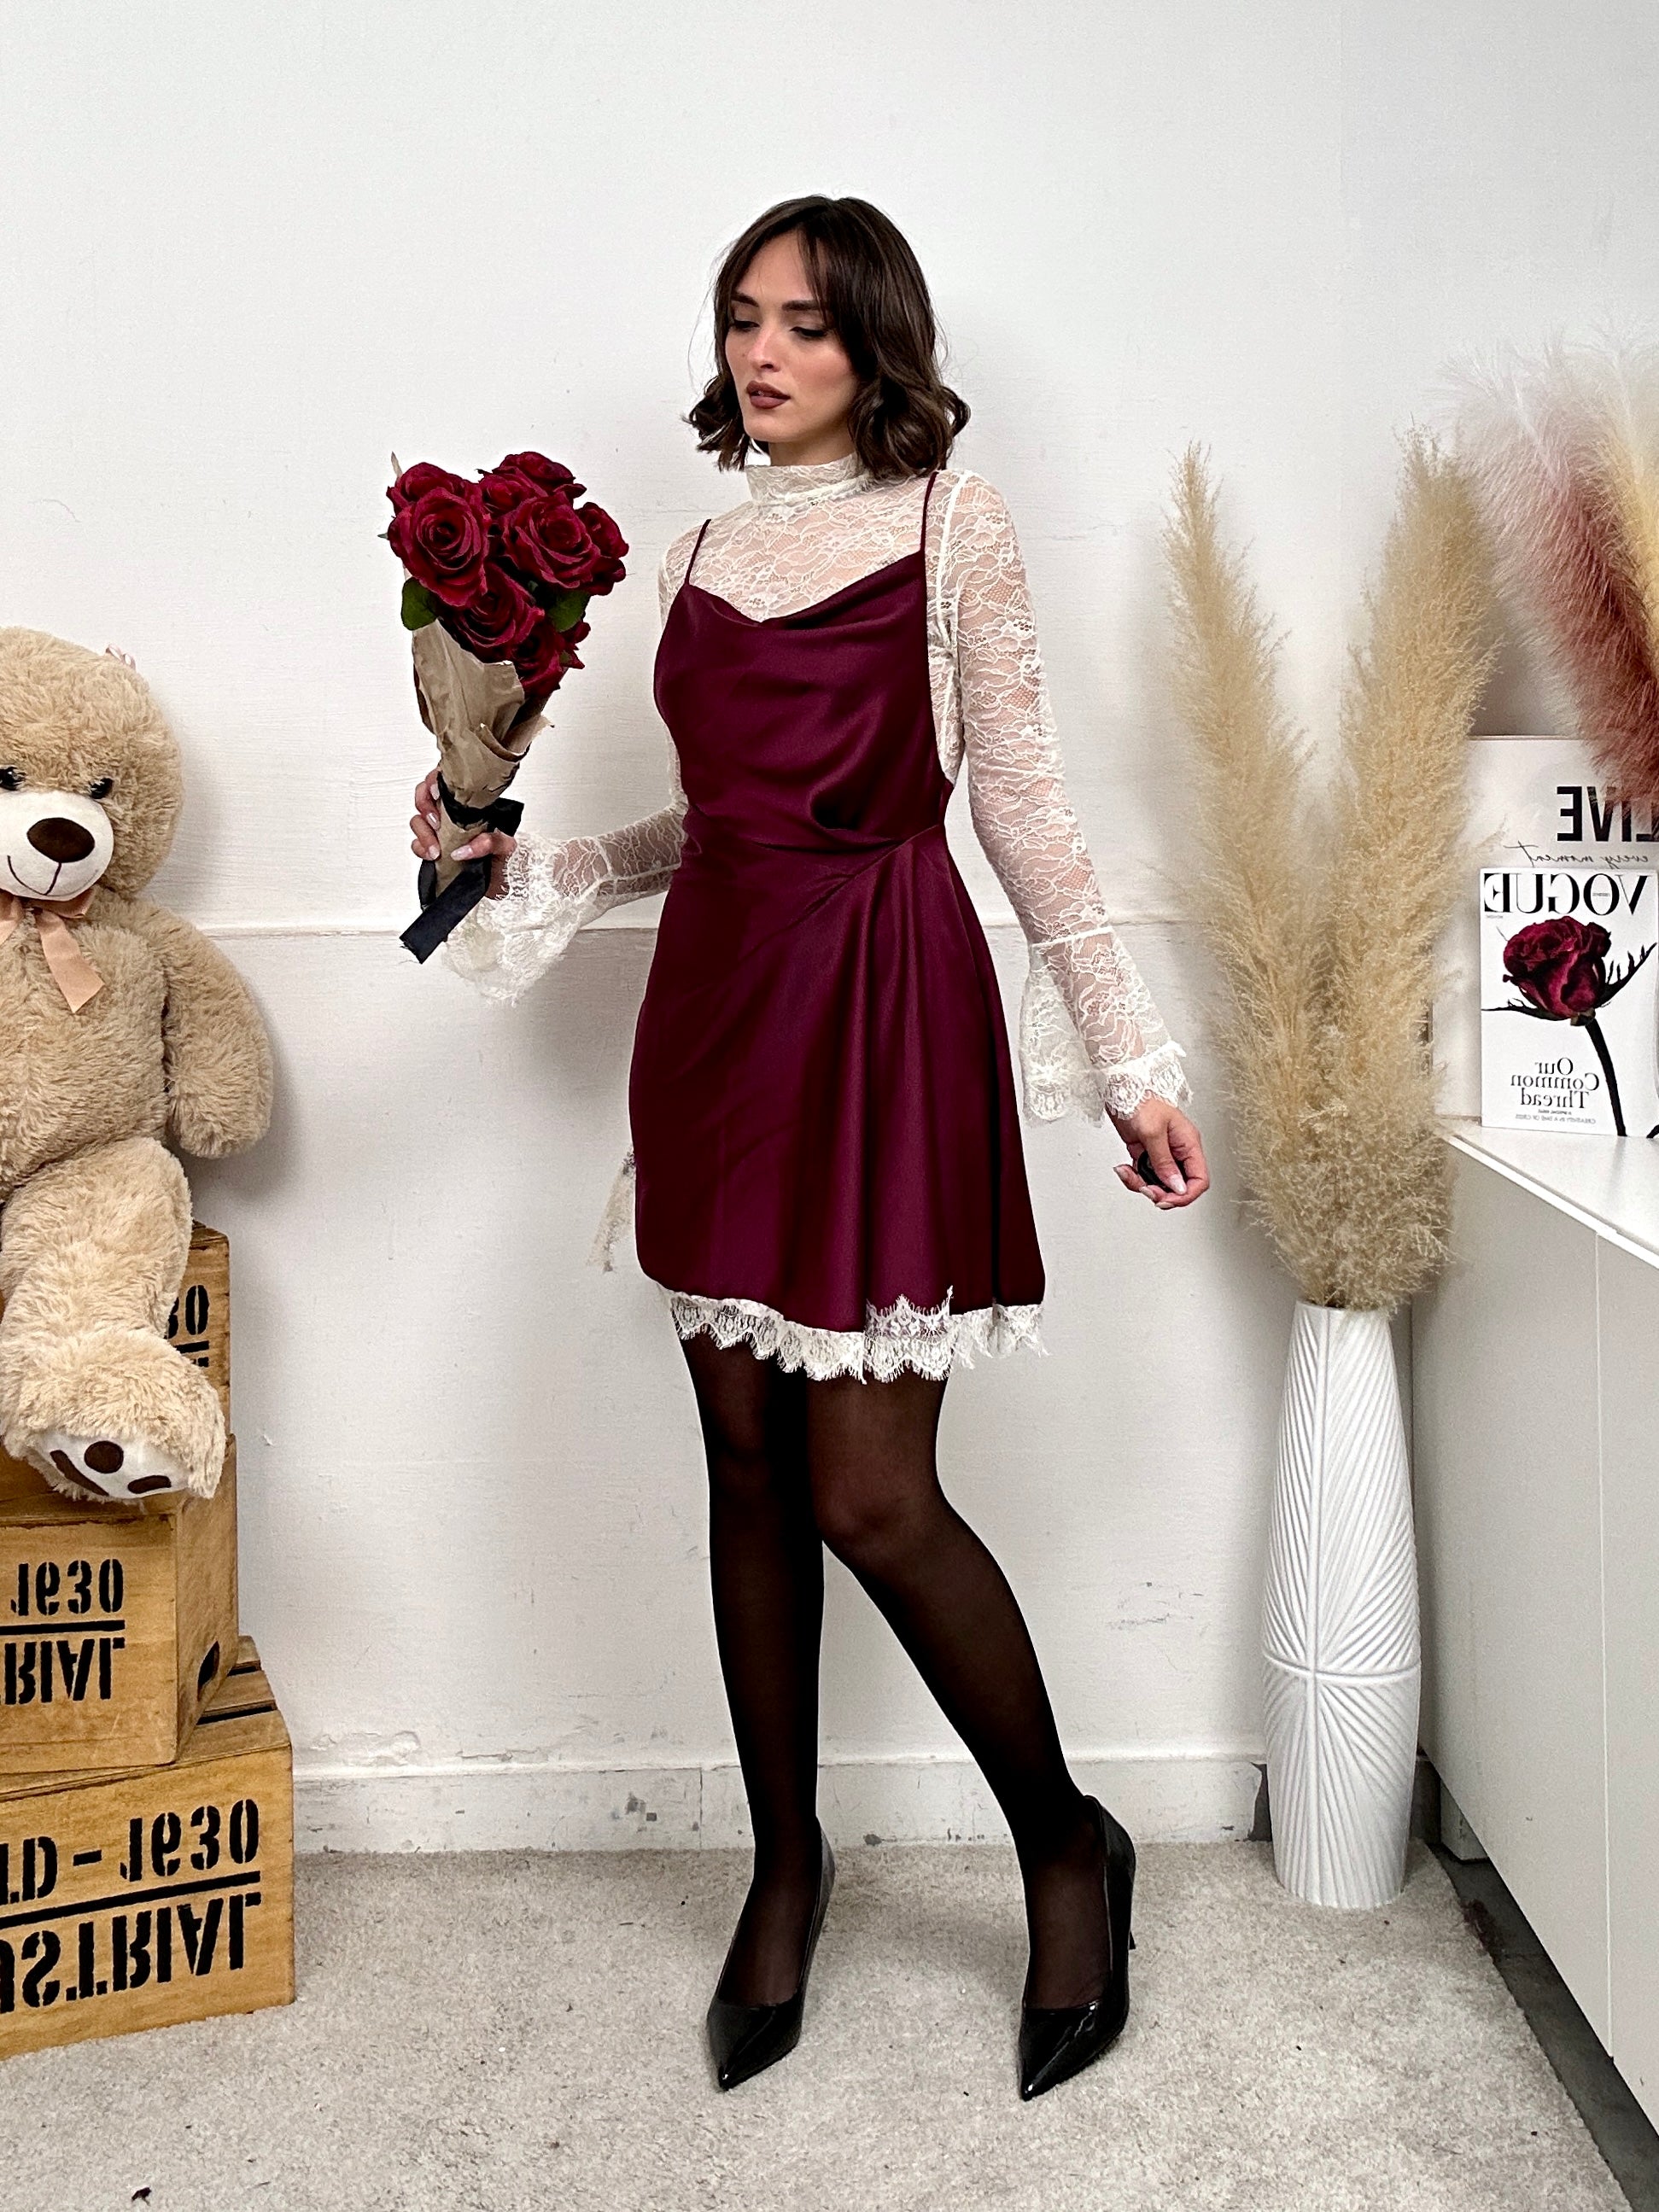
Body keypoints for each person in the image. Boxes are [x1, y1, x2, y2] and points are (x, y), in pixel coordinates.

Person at [412, 195, 1209, 2101]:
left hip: (885, 1004)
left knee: (872, 1495)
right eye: (743, 318)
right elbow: (712, 823)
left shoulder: (953, 524)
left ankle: (1065, 1849)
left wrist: (1129, 1059)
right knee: (748, 1468)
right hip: (717, 1021)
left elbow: (1021, 807)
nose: (764, 354)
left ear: (877, 346)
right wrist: (517, 862)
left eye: (807, 325)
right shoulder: (689, 553)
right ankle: (785, 1870)